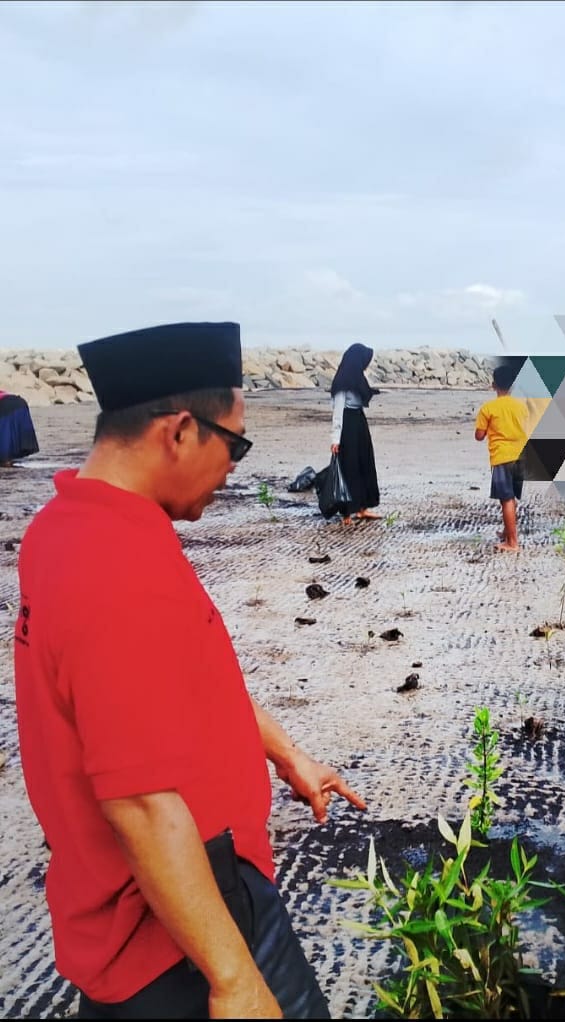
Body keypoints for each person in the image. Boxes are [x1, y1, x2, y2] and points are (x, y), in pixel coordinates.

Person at [14, 322, 366, 1020]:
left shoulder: (69, 525)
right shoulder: (115, 568)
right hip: (175, 924)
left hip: (158, 898)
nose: (235, 465)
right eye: (233, 444)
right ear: (179, 431)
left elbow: (185, 686)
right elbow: (139, 801)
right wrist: (233, 979)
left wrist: (283, 751)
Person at [474, 364, 529, 551]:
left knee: (506, 499)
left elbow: (479, 436)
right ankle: (508, 532)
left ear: (493, 385)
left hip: (502, 456)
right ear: (512, 386)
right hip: (521, 455)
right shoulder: (520, 406)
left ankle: (512, 542)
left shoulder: (488, 408)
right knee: (511, 497)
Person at [329, 342, 381, 524]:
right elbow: (338, 411)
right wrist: (335, 439)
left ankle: (362, 508)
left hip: (359, 421)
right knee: (348, 466)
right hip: (347, 424)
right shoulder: (343, 381)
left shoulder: (357, 378)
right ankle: (345, 513)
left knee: (364, 462)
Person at [0, 389, 39, 466]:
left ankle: (6, 461)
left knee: (4, 436)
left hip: (6, 405)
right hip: (20, 403)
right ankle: (8, 461)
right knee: (9, 436)